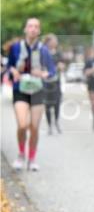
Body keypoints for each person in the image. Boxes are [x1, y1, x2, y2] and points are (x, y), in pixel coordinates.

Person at [6, 18, 57, 171]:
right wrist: (14, 71)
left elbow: (52, 71)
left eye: (36, 27)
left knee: (34, 127)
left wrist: (43, 73)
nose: (33, 29)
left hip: (37, 90)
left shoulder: (43, 50)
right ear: (25, 29)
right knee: (22, 125)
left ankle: (32, 158)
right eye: (30, 26)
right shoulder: (16, 47)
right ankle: (21, 155)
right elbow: (9, 66)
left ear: (39, 31)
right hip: (20, 89)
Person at [42, 34, 64, 135]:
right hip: (46, 82)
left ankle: (56, 122)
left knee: (57, 103)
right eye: (53, 41)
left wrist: (61, 66)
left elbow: (62, 65)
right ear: (48, 42)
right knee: (47, 104)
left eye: (56, 41)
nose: (55, 43)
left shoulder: (58, 53)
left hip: (56, 82)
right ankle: (49, 125)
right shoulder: (43, 52)